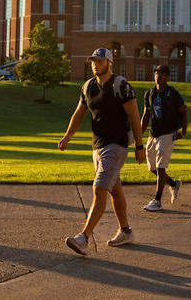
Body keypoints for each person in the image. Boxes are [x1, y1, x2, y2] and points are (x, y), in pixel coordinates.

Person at [59, 47, 145, 255]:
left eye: (99, 61)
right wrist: (68, 136)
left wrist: (140, 146)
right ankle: (125, 231)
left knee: (99, 190)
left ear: (109, 62)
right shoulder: (88, 87)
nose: (95, 64)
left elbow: (134, 116)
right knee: (114, 190)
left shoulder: (120, 85)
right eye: (92, 61)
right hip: (97, 147)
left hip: (116, 145)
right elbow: (79, 114)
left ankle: (84, 237)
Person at [140, 64, 188, 212]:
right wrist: (138, 135)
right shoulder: (149, 94)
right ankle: (173, 184)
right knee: (152, 168)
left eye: (161, 73)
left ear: (167, 76)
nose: (158, 75)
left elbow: (183, 110)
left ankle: (157, 200)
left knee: (161, 168)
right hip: (153, 134)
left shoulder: (172, 94)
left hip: (168, 133)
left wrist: (183, 130)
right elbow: (146, 116)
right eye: (156, 73)